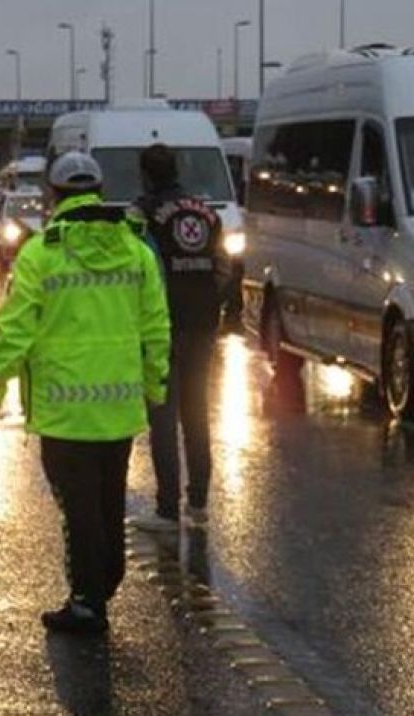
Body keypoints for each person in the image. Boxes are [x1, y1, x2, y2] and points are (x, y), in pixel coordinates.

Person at [0, 151, 171, 635]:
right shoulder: (136, 250)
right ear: (99, 191)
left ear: (54, 195)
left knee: (77, 505)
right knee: (108, 499)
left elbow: (15, 329)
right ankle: (105, 579)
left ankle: (88, 600)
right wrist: (155, 384)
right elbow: (156, 326)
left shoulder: (42, 253)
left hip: (64, 410)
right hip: (120, 406)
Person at [130, 143, 228, 532]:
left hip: (162, 323)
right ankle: (199, 503)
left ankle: (167, 509)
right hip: (202, 322)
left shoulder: (143, 213)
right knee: (197, 413)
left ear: (146, 174)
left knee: (164, 416)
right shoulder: (206, 213)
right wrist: (211, 302)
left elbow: (137, 266)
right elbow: (224, 265)